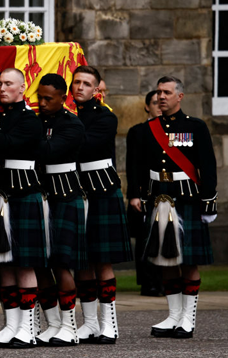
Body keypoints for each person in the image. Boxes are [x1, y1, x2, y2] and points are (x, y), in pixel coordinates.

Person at [143, 76, 217, 339]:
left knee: (189, 260)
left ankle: (188, 317)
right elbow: (143, 169)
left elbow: (207, 166)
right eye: (159, 92)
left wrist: (208, 203)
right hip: (160, 199)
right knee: (166, 260)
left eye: (167, 92)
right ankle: (174, 315)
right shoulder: (149, 127)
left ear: (179, 96)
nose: (161, 96)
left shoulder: (195, 127)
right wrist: (143, 200)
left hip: (186, 199)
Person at [0, 68, 46, 349]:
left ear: (23, 87)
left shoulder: (30, 120)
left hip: (23, 194)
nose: (2, 88)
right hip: (0, 194)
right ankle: (11, 325)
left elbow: (5, 145)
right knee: (3, 263)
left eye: (8, 84)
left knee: (24, 261)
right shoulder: (1, 117)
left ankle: (28, 327)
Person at [70, 66, 132, 344]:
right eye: (76, 82)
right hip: (73, 189)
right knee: (82, 260)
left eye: (86, 84)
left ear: (96, 90)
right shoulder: (66, 115)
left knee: (102, 261)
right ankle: (90, 323)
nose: (80, 87)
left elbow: (87, 145)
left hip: (101, 189)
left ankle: (109, 324)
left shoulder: (106, 117)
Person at [34, 73, 86, 347]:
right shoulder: (36, 121)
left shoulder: (72, 124)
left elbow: (49, 152)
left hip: (64, 196)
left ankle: (69, 326)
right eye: (39, 97)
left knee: (61, 263)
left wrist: (25, 139)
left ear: (62, 98)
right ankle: (52, 323)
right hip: (40, 195)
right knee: (40, 262)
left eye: (47, 98)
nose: (41, 103)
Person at [127, 90, 164, 297]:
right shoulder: (138, 131)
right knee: (145, 239)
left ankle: (165, 281)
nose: (159, 106)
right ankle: (148, 282)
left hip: (167, 192)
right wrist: (134, 194)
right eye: (155, 103)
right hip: (145, 193)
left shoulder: (175, 130)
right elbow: (131, 165)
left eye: (162, 102)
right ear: (146, 106)